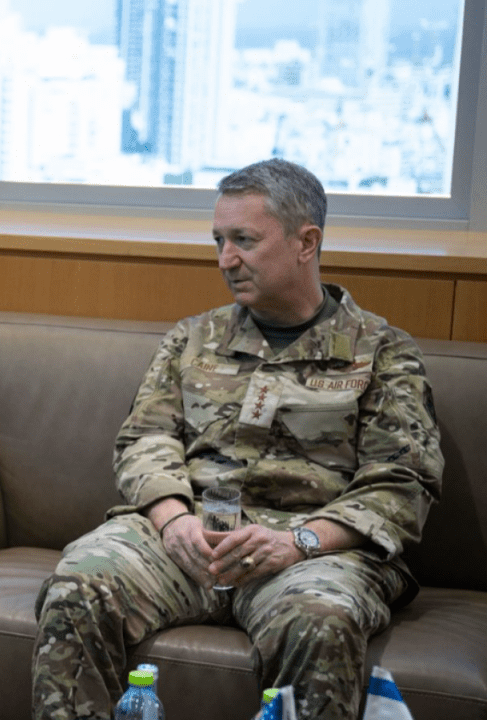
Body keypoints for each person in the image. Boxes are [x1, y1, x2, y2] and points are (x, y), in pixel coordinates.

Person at [31, 158, 442, 720]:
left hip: (311, 552)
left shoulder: (383, 351)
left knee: (322, 620)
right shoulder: (193, 338)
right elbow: (145, 438)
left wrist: (298, 541)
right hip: (189, 538)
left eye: (244, 240)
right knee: (79, 583)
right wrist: (173, 520)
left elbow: (402, 483)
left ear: (306, 242)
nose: (226, 259)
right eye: (219, 241)